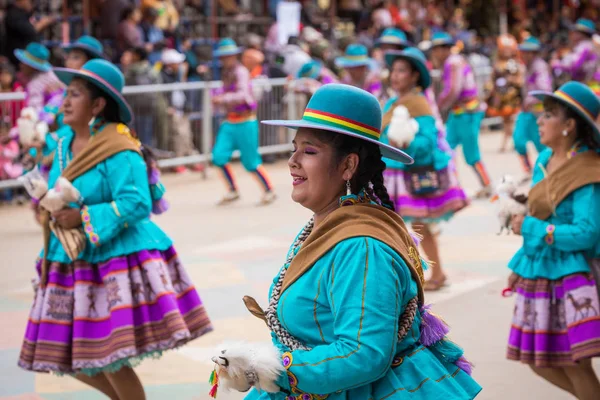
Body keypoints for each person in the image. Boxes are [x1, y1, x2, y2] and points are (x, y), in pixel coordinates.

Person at [221, 83, 481, 399]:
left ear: (348, 165)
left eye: (310, 151)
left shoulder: (362, 247)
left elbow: (363, 353)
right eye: (294, 148)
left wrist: (271, 369)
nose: (293, 161)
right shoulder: (330, 226)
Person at [17, 59, 213, 399]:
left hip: (111, 264)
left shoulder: (119, 147)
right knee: (73, 359)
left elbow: (137, 202)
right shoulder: (62, 144)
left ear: (97, 104)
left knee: (110, 361)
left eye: (74, 95)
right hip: (70, 260)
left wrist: (83, 217)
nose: (64, 101)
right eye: (65, 93)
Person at [507, 81, 600, 400]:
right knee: (538, 361)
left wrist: (533, 230)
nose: (539, 121)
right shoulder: (544, 160)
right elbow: (539, 215)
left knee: (576, 365)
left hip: (574, 276)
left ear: (570, 125)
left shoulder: (588, 169)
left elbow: (587, 233)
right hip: (541, 271)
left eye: (548, 115)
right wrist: (521, 264)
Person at [381, 48, 469, 291]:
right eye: (393, 70)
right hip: (391, 174)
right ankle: (411, 274)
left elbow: (428, 142)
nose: (395, 76)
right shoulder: (392, 102)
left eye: (401, 71)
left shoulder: (418, 103)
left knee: (420, 227)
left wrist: (407, 142)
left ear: (414, 76)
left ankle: (436, 273)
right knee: (396, 227)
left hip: (410, 176)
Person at [211, 38, 276, 206]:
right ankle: (232, 190)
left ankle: (269, 190)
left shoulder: (241, 72)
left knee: (250, 161)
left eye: (228, 56)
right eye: (223, 56)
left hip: (246, 122)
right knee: (218, 156)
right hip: (229, 122)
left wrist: (222, 98)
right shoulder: (226, 73)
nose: (225, 59)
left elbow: (243, 95)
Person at [430, 32, 493, 198]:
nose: (434, 53)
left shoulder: (453, 62)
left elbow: (453, 90)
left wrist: (437, 106)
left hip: (467, 112)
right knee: (448, 148)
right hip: (459, 113)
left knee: (470, 153)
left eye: (437, 49)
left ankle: (487, 185)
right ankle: (453, 187)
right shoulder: (452, 62)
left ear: (444, 49)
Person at [513, 36, 551, 177]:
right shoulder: (526, 67)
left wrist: (529, 99)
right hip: (527, 112)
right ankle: (528, 169)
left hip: (538, 112)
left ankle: (545, 171)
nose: (523, 54)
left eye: (526, 52)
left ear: (533, 53)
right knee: (518, 140)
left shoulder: (539, 66)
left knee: (541, 144)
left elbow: (544, 88)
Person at [486, 34, 525, 153]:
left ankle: (511, 142)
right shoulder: (497, 63)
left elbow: (520, 79)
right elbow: (492, 79)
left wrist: (512, 81)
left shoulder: (516, 63)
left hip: (512, 97)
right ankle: (511, 142)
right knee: (506, 121)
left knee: (512, 120)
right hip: (501, 97)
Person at [551, 19, 598, 88]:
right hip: (586, 84)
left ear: (582, 34)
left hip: (589, 85)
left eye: (576, 32)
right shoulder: (584, 45)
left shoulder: (585, 46)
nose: (573, 34)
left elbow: (575, 66)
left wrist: (557, 64)